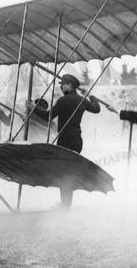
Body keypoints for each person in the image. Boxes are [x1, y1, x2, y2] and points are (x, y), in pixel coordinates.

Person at [25, 74, 100, 209]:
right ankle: (65, 204)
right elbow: (97, 108)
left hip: (65, 140)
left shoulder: (63, 101)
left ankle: (65, 205)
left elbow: (48, 116)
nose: (61, 86)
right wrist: (91, 96)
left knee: (63, 173)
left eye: (63, 84)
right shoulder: (81, 100)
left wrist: (32, 108)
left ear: (70, 85)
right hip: (77, 140)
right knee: (68, 172)